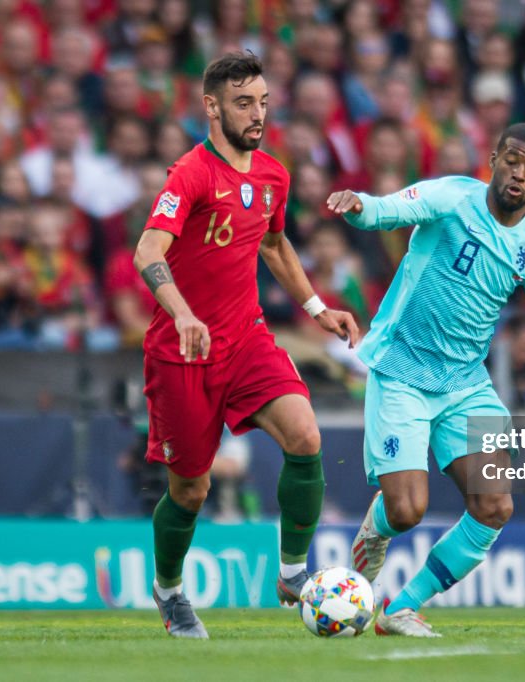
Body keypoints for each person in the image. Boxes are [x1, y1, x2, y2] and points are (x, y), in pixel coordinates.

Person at [326, 122, 525, 637]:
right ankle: (373, 537)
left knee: (494, 506)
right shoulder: (452, 197)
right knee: (406, 512)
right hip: (401, 369)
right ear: (493, 158)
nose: (519, 172)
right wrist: (359, 204)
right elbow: (390, 209)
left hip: (465, 384)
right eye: (512, 159)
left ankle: (401, 608)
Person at [131, 52, 358, 639]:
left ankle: (291, 575)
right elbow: (147, 253)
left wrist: (316, 308)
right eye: (242, 103)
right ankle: (169, 589)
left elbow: (275, 246)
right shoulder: (190, 174)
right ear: (211, 106)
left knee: (305, 435)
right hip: (181, 351)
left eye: (262, 102)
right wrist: (182, 314)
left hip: (247, 338)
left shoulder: (273, 176)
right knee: (192, 488)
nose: (257, 115)